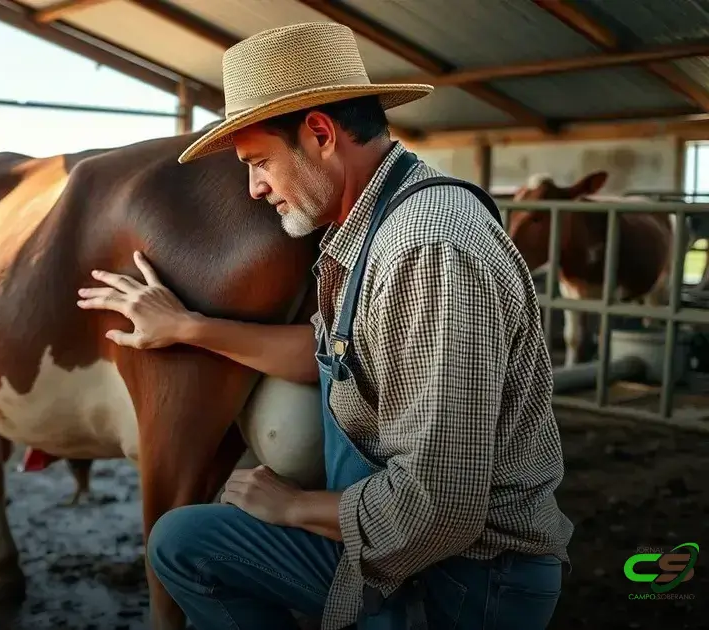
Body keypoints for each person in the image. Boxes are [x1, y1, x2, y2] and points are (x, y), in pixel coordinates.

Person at [74, 21, 574, 630]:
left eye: (259, 161)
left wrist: (295, 506)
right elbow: (325, 353)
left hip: (467, 576)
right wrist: (187, 328)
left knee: (191, 544)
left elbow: (441, 506)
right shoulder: (371, 226)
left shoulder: (428, 247)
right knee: (183, 542)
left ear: (318, 133)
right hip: (408, 541)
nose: (255, 188)